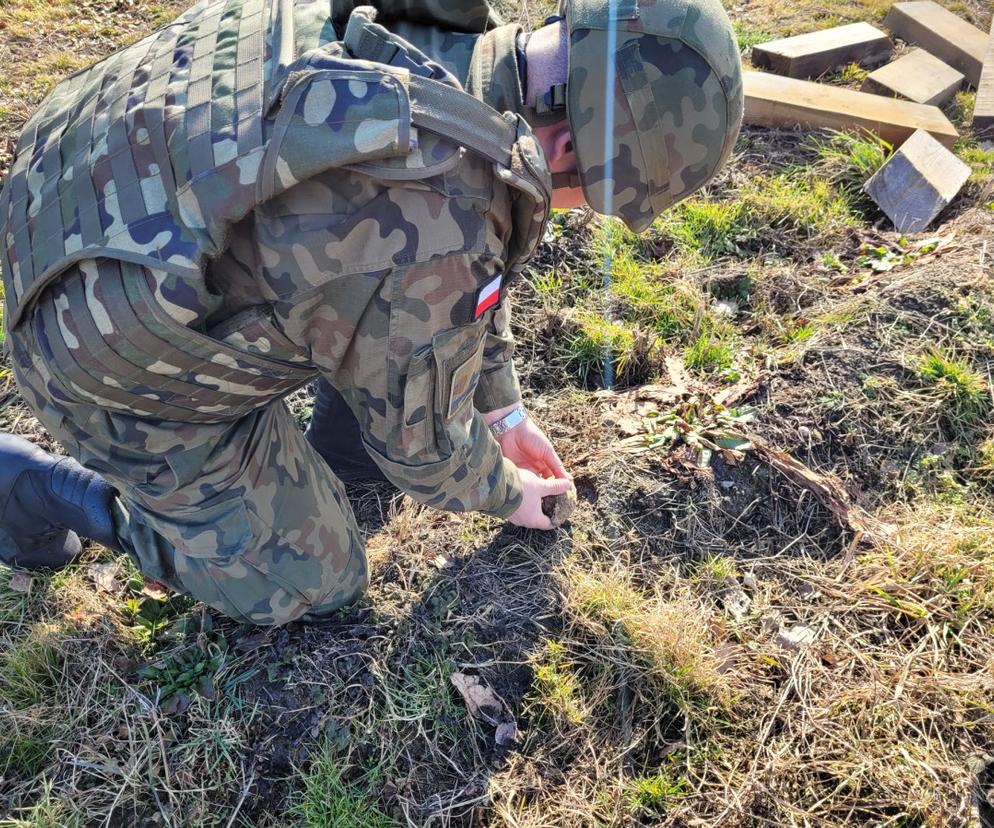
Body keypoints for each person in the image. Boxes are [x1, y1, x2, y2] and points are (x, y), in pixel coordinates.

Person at [0, 0, 743, 624]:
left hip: (62, 177)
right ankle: (48, 491)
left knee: (373, 315)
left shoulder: (438, 34)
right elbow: (423, 451)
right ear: (565, 144)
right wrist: (510, 494)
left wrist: (505, 413)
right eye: (596, 198)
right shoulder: (441, 211)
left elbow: (457, 268)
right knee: (312, 579)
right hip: (86, 349)